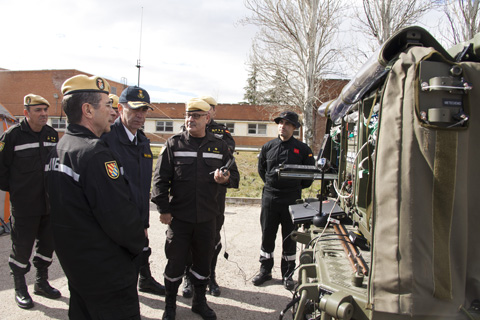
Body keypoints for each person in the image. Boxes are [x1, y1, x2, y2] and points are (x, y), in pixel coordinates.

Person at [44, 75, 145, 319]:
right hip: (106, 271)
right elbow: (119, 218)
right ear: (88, 110)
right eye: (107, 105)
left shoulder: (60, 147)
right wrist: (137, 246)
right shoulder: (95, 153)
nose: (112, 111)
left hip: (77, 266)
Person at [151, 98, 239, 320]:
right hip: (179, 218)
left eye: (197, 115)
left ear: (207, 118)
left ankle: (199, 303)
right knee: (175, 263)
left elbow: (235, 177)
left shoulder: (220, 147)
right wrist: (163, 209)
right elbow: (160, 180)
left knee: (203, 263)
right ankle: (170, 306)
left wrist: (225, 179)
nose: (191, 119)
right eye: (188, 115)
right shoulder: (173, 144)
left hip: (208, 218)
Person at [102, 86, 165, 296]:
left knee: (142, 249)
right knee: (119, 263)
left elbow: (140, 184)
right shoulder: (107, 140)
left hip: (138, 214)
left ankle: (144, 280)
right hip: (116, 219)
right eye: (135, 109)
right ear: (120, 108)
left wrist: (143, 221)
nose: (140, 115)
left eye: (144, 110)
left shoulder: (142, 141)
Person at [0, 94, 60, 309]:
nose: (44, 114)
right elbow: (1, 170)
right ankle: (20, 287)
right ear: (26, 113)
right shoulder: (13, 136)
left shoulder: (52, 135)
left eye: (45, 110)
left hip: (49, 203)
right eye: (38, 110)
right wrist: (19, 190)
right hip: (25, 205)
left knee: (47, 245)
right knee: (22, 247)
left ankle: (41, 283)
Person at [181, 95, 236, 298]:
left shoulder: (222, 132)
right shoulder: (187, 127)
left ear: (212, 112)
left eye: (211, 108)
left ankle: (210, 276)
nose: (210, 111)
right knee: (187, 239)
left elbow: (230, 150)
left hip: (214, 196)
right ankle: (189, 277)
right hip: (189, 194)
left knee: (212, 238)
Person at [253, 111, 315, 290]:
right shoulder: (268, 147)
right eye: (280, 123)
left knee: (290, 237)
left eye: (287, 124)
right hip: (270, 197)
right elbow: (262, 170)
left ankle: (287, 275)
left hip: (291, 198)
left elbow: (308, 176)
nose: (283, 126)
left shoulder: (303, 149)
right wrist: (273, 184)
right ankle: (265, 270)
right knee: (267, 235)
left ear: (294, 128)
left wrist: (293, 187)